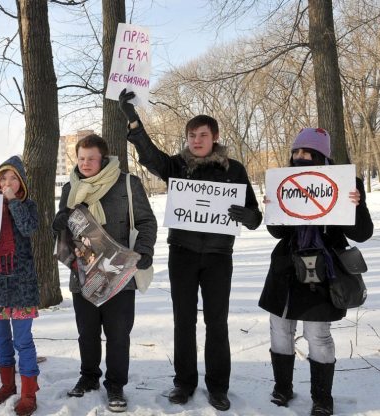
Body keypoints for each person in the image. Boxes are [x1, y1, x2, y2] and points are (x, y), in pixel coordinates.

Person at [118, 89, 262, 411]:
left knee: (217, 322)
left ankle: (218, 387)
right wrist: (134, 123)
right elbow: (152, 158)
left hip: (218, 258)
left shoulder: (234, 170)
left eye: (202, 135)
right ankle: (184, 383)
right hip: (182, 254)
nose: (196, 140)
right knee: (183, 321)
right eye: (191, 135)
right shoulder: (178, 166)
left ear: (215, 137)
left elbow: (255, 217)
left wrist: (248, 215)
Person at [258, 128, 373, 416]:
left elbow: (362, 233)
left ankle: (322, 397)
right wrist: (273, 208)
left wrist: (355, 205)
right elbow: (276, 232)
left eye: (307, 152)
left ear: (321, 155)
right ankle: (282, 388)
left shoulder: (346, 182)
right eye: (296, 152)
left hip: (324, 269)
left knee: (318, 334)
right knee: (280, 330)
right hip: (287, 267)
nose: (299, 157)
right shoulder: (286, 181)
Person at [52, 134, 157, 413]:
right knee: (86, 332)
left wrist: (145, 251)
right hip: (83, 271)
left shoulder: (126, 183)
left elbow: (147, 221)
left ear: (104, 158)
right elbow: (65, 227)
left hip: (119, 272)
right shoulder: (70, 187)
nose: (85, 163)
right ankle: (88, 377)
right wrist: (58, 222)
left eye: (91, 158)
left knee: (118, 334)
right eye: (81, 158)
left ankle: (115, 384)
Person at [0, 156, 41, 416]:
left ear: (21, 182)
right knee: (1, 340)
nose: (7, 183)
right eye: (2, 178)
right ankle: (7, 385)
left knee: (23, 341)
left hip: (21, 285)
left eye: (13, 178)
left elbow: (28, 229)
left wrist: (13, 202)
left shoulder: (28, 206)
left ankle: (28, 393)